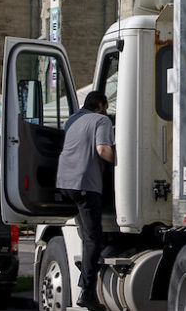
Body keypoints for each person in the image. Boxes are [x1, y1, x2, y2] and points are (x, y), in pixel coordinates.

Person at [56, 92, 114, 311]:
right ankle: (87, 292)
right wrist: (123, 160)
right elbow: (102, 150)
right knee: (94, 238)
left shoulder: (73, 119)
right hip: (85, 185)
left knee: (87, 234)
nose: (107, 110)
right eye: (106, 106)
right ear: (101, 105)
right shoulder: (102, 120)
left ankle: (85, 273)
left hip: (65, 183)